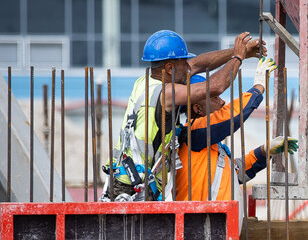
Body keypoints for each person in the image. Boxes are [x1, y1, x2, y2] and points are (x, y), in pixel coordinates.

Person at [104, 29, 267, 201]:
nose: (189, 67)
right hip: (135, 186)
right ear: (169, 68)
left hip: (124, 177)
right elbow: (216, 86)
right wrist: (238, 58)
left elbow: (199, 64)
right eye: (185, 63)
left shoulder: (144, 83)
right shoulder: (167, 93)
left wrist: (237, 52)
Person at [174, 66, 297, 211]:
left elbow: (236, 174)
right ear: (197, 108)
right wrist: (257, 89)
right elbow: (231, 116)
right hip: (199, 224)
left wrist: (264, 152)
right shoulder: (193, 133)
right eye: (214, 98)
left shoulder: (209, 146)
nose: (222, 102)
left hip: (214, 225)